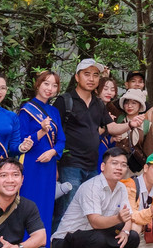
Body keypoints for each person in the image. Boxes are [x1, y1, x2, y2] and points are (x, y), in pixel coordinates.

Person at [54, 58, 135, 226]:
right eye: (87, 74)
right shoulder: (65, 101)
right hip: (70, 165)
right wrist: (54, 165)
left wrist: (130, 124)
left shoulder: (98, 103)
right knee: (67, 211)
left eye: (95, 75)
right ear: (77, 77)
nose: (91, 79)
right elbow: (53, 134)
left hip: (92, 166)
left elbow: (111, 127)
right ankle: (58, 247)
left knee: (90, 212)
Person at [51, 147, 140, 248]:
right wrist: (119, 219)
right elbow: (95, 222)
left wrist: (125, 231)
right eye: (114, 163)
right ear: (103, 166)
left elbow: (128, 217)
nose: (119, 168)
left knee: (132, 237)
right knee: (99, 238)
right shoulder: (92, 187)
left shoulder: (121, 188)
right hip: (65, 244)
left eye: (123, 165)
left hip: (92, 238)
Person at [17, 71, 65, 241]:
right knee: (29, 204)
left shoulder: (54, 112)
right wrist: (42, 131)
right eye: (46, 83)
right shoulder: (26, 110)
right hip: (31, 164)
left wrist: (53, 152)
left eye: (54, 85)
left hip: (49, 165)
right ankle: (25, 245)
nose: (50, 88)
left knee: (46, 206)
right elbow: (21, 142)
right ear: (37, 84)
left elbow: (61, 140)